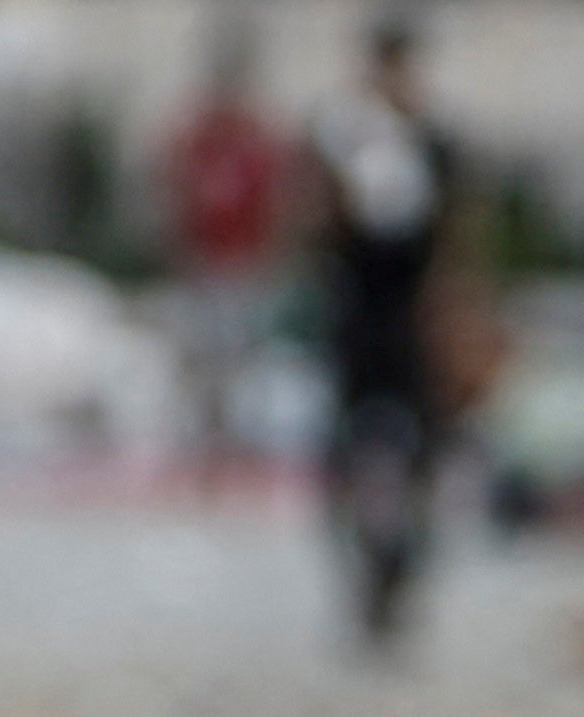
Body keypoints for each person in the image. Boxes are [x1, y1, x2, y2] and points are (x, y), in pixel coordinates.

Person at [306, 17, 487, 648]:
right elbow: (319, 227)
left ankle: (403, 567)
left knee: (421, 449)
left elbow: (454, 233)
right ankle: (364, 570)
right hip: (358, 314)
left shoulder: (434, 141)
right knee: (350, 448)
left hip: (412, 318)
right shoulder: (343, 137)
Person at [160, 20, 297, 482]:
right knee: (204, 362)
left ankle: (239, 442)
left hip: (244, 264)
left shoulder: (258, 140)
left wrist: (270, 254)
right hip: (206, 263)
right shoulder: (197, 137)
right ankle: (207, 442)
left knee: (243, 361)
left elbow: (274, 203)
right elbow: (178, 195)